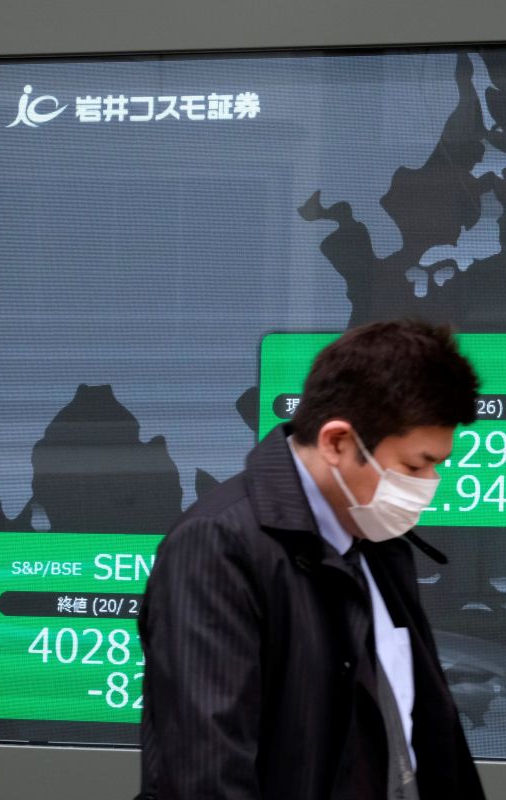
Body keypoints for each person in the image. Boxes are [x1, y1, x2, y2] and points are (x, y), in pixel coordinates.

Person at [137, 320, 486, 800]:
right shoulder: (216, 547)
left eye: (436, 466)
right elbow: (208, 773)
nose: (428, 484)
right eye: (414, 465)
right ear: (337, 442)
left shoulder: (378, 541)